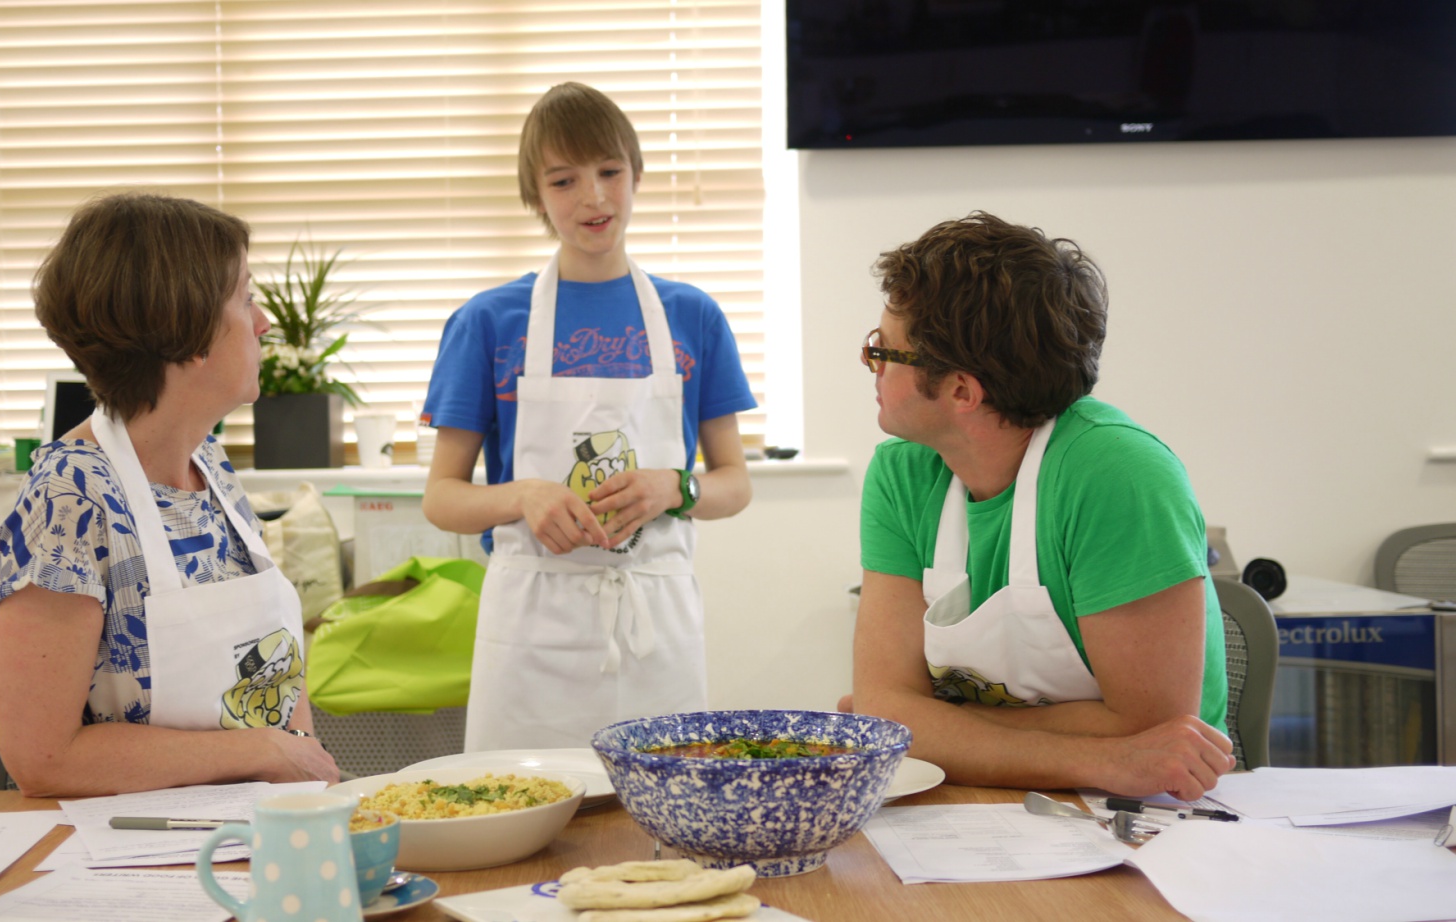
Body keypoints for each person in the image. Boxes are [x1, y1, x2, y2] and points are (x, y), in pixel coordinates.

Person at [842, 211, 1233, 800]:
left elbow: (1153, 734)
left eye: (884, 352)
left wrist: (929, 724)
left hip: (1144, 814)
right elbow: (884, 711)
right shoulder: (901, 475)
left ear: (961, 391)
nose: (870, 366)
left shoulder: (1117, 475)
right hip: (983, 803)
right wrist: (1100, 755)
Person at [420, 82, 757, 751]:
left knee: (661, 826)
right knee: (520, 822)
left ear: (636, 174)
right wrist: (522, 495)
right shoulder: (487, 322)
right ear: (535, 194)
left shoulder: (694, 317)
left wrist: (675, 487)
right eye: (564, 180)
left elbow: (735, 483)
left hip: (655, 627)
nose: (594, 197)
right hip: (531, 636)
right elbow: (441, 499)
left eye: (609, 172)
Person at [0, 192, 340, 796]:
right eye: (246, 299)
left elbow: (276, 674)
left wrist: (312, 783)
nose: (263, 322)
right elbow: (41, 758)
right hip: (135, 856)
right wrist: (261, 750)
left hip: (255, 825)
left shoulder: (210, 466)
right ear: (192, 334)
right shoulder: (71, 498)